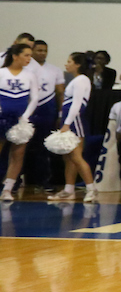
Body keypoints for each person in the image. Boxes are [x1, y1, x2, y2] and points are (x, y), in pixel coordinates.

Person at [47, 53, 98, 202]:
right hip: (69, 120)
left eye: (69, 61)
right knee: (68, 157)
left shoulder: (82, 80)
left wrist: (67, 123)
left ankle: (91, 189)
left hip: (76, 121)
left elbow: (77, 104)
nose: (66, 64)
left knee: (76, 156)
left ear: (78, 64)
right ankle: (69, 190)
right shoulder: (76, 80)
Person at [0, 44, 39, 201]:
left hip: (20, 119)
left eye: (30, 55)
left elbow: (35, 98)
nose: (29, 58)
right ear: (15, 56)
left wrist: (25, 117)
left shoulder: (30, 75)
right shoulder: (1, 72)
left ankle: (7, 189)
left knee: (18, 154)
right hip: (2, 118)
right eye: (26, 55)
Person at [27, 39, 65, 192]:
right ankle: (15, 181)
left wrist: (60, 113)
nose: (42, 53)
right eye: (39, 50)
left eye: (45, 51)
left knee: (43, 147)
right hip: (29, 110)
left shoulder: (55, 70)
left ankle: (44, 181)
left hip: (47, 110)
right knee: (21, 146)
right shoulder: (26, 68)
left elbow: (60, 92)